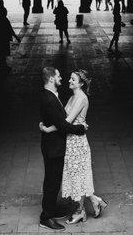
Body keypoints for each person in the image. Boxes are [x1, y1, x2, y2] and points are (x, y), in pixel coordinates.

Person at [40, 70, 108, 223]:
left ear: (81, 83)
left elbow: (66, 121)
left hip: (77, 142)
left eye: (73, 79)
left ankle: (80, 211)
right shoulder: (72, 97)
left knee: (78, 175)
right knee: (75, 175)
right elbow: (61, 120)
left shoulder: (81, 98)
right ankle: (93, 202)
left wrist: (47, 129)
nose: (69, 80)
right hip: (69, 141)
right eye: (69, 78)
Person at [39, 67, 88, 231]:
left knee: (54, 180)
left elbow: (61, 120)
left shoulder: (52, 95)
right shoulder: (50, 99)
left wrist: (47, 128)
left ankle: (51, 209)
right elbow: (63, 125)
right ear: (52, 78)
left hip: (54, 145)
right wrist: (81, 129)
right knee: (52, 182)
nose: (63, 78)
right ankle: (46, 217)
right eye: (59, 75)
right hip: (53, 147)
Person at [0, 7, 20, 72]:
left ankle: (3, 65)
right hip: (4, 38)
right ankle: (3, 66)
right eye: (5, 12)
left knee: (1, 53)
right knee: (4, 52)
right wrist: (16, 37)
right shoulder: (5, 20)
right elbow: (10, 30)